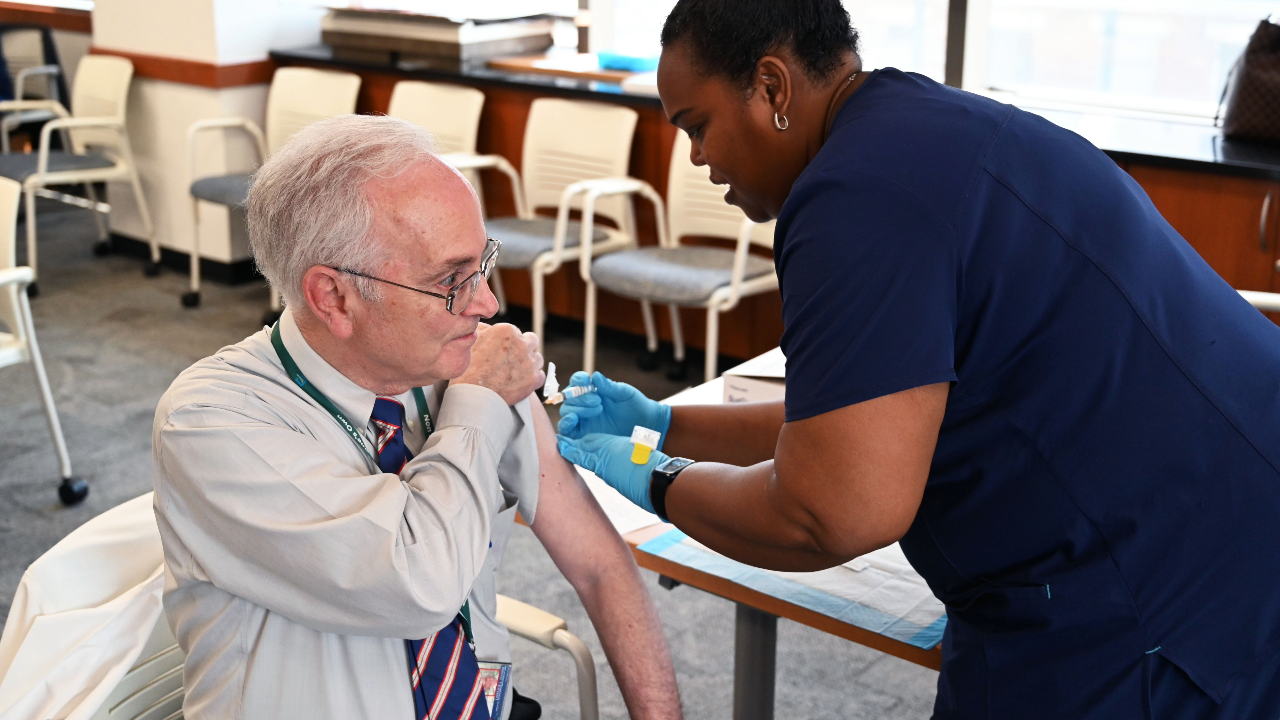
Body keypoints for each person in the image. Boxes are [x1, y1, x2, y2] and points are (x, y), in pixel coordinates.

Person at [556, 1, 1280, 718]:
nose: (698, 158)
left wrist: (656, 478)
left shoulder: (852, 198)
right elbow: (861, 415)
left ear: (772, 88)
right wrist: (665, 423)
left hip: (1158, 592)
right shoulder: (920, 126)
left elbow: (826, 513)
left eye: (697, 126)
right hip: (1231, 509)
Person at [152, 115, 682, 720]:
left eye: (482, 263)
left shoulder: (448, 358)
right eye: (450, 281)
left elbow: (599, 567)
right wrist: (476, 401)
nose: (486, 304)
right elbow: (420, 584)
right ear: (334, 297)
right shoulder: (210, 422)